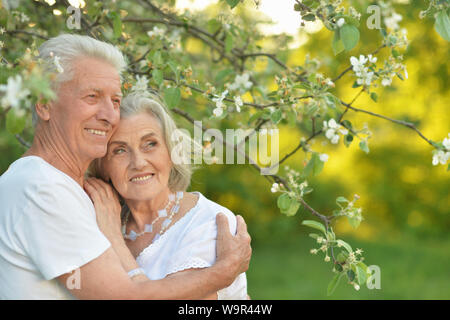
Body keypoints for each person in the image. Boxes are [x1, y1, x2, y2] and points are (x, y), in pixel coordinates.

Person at [0, 34, 251, 299]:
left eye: (115, 101)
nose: (109, 115)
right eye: (92, 96)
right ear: (44, 104)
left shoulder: (70, 192)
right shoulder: (42, 188)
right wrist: (223, 272)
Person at [87, 92, 248, 300]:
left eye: (150, 144)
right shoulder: (101, 221)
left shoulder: (210, 222)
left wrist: (115, 241)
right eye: (119, 150)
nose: (138, 162)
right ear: (103, 166)